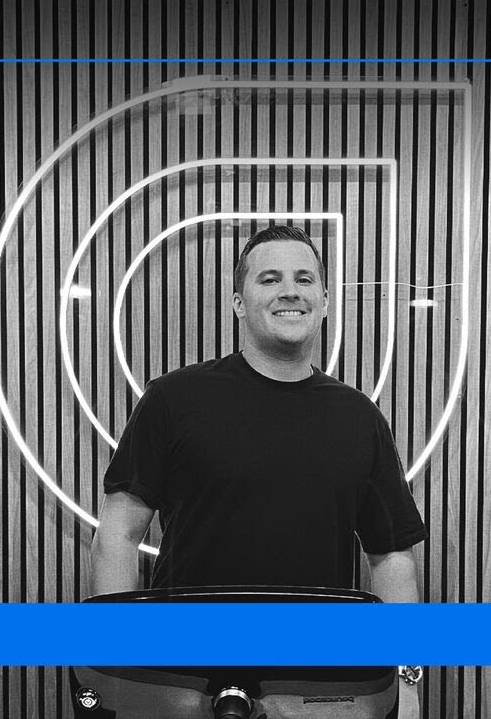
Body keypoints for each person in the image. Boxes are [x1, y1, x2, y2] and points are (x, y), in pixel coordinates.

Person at [89, 225, 426, 716]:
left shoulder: (360, 418)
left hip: (318, 687)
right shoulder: (174, 400)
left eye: (304, 279)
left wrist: (406, 681)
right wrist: (121, 670)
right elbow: (117, 537)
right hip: (185, 681)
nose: (290, 291)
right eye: (270, 279)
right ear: (238, 303)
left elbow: (392, 558)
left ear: (325, 302)